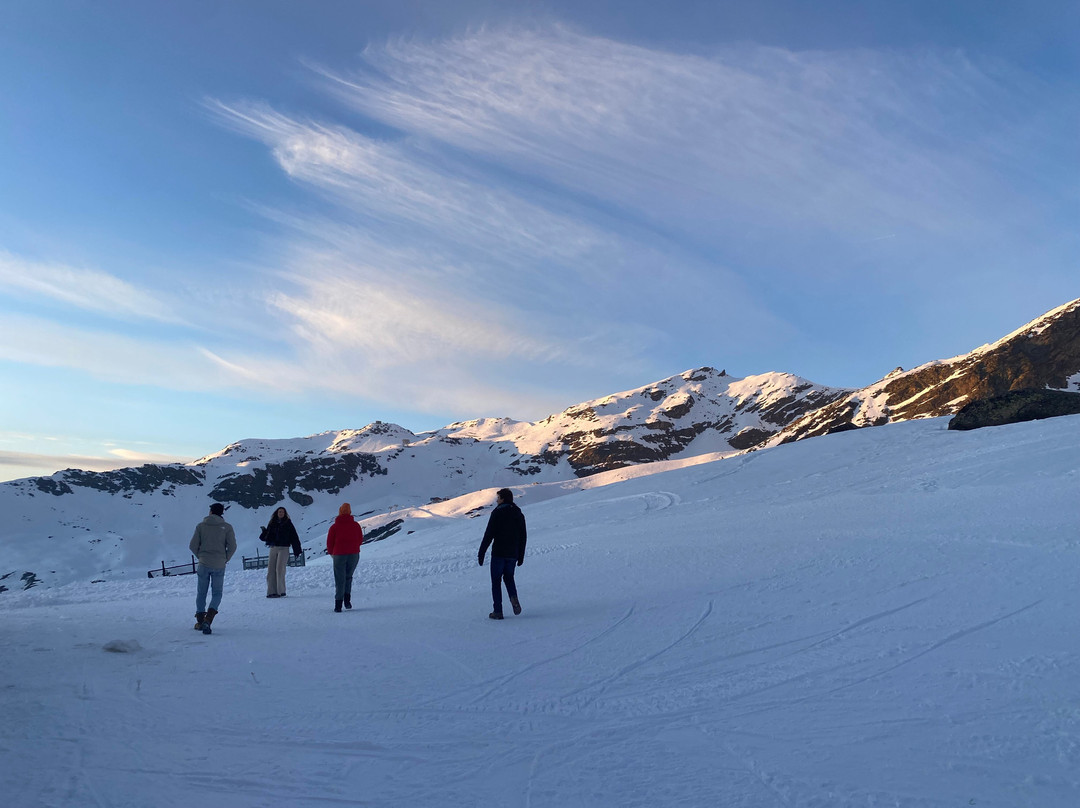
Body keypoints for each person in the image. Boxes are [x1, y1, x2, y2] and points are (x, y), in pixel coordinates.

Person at [478, 488, 527, 620]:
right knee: (509, 578)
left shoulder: (497, 513)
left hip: (498, 553)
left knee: (496, 581)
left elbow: (489, 534)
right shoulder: (518, 514)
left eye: (498, 498)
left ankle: (498, 611)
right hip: (513, 554)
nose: (496, 500)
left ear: (503, 499)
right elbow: (523, 536)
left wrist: (481, 552)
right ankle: (513, 598)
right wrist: (521, 555)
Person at [189, 502, 237, 635]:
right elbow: (232, 546)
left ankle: (200, 621)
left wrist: (201, 557)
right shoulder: (227, 527)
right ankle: (208, 620)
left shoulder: (201, 526)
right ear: (222, 513)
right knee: (217, 593)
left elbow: (192, 545)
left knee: (201, 592)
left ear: (210, 512)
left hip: (203, 563)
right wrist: (225, 558)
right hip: (219, 564)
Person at [326, 503, 364, 613]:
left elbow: (330, 542)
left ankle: (338, 605)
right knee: (348, 577)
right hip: (354, 554)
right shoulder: (356, 525)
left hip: (339, 554)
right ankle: (347, 601)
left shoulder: (334, 527)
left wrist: (332, 553)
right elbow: (360, 539)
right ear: (350, 512)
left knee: (340, 579)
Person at [262, 506, 303, 598]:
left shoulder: (288, 523)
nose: (281, 513)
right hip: (273, 547)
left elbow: (294, 537)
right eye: (279, 512)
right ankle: (271, 592)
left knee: (280, 569)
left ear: (285, 514)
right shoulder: (272, 523)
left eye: (282, 512)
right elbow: (267, 535)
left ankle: (281, 591)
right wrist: (264, 533)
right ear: (277, 513)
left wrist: (297, 550)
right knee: (271, 570)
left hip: (284, 548)